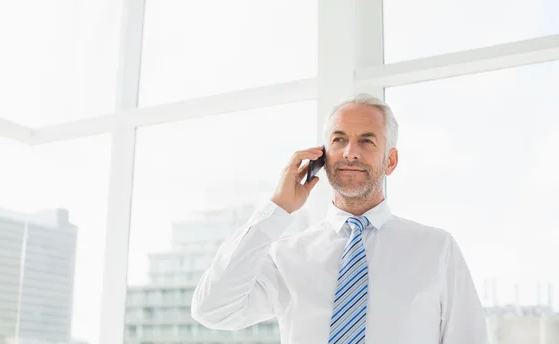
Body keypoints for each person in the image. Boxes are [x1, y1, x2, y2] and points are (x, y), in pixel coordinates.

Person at [191, 93, 488, 343]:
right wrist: (278, 209)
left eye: (367, 141)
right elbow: (212, 309)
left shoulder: (437, 249)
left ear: (391, 160)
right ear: (322, 155)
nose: (350, 152)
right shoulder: (286, 255)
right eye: (339, 139)